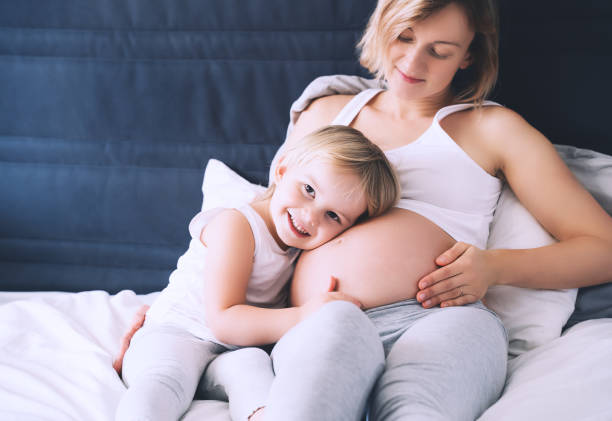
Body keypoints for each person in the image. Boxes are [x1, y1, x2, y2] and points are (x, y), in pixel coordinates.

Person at [118, 0, 612, 419]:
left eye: (439, 51)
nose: (413, 62)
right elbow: (264, 226)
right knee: (316, 382)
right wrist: (169, 316)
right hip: (324, 318)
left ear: (469, 56)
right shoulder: (328, 113)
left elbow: (602, 247)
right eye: (403, 37)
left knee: (418, 403)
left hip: (444, 314)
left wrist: (494, 267)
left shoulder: (492, 129)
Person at [114, 125, 400, 421]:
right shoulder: (237, 225)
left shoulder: (298, 249)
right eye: (309, 190)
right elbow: (224, 319)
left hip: (224, 354)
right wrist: (305, 315)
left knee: (252, 370)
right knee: (166, 379)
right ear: (282, 170)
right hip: (174, 334)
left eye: (333, 216)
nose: (310, 217)